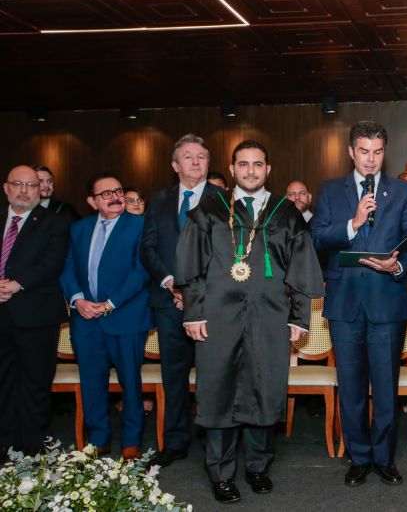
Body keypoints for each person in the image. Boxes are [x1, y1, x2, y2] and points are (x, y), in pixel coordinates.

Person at [175, 140, 323, 504]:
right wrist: (193, 312)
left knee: (264, 387)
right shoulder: (210, 209)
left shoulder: (285, 212)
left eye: (258, 164)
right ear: (232, 169)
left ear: (268, 170)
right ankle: (221, 473)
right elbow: (192, 266)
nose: (251, 171)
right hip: (217, 317)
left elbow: (301, 268)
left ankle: (258, 467)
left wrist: (299, 317)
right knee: (220, 391)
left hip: (269, 316)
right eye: (243, 164)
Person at [310, 120, 407, 488]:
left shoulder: (403, 191)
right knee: (351, 386)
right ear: (350, 152)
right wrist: (353, 223)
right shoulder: (330, 190)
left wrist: (398, 265)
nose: (371, 159)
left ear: (384, 152)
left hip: (387, 301)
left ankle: (384, 458)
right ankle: (358, 457)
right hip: (345, 303)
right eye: (363, 151)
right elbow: (317, 237)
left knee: (386, 386)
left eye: (377, 152)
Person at [140, 134, 223, 469]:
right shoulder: (159, 200)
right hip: (167, 301)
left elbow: (228, 253)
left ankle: (212, 440)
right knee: (173, 375)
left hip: (211, 304)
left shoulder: (224, 198)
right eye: (188, 156)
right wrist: (171, 284)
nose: (196, 161)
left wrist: (194, 290)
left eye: (201, 156)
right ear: (175, 165)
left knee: (211, 375)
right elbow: (148, 247)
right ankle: (175, 441)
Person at [60, 173, 152, 460]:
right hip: (86, 318)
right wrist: (78, 300)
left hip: (125, 317)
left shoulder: (140, 225)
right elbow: (67, 268)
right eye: (106, 194)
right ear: (92, 201)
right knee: (91, 381)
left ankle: (131, 440)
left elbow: (142, 270)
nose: (115, 197)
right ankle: (99, 438)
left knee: (130, 382)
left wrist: (110, 303)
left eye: (118, 191)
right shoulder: (79, 228)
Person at [0, 165, 70, 458]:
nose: (24, 190)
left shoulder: (55, 222)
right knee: (3, 382)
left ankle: (31, 448)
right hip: (1, 316)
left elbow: (51, 262)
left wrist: (16, 284)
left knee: (35, 383)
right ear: (7, 188)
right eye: (18, 184)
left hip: (37, 315)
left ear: (39, 190)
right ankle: (5, 445)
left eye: (31, 185)